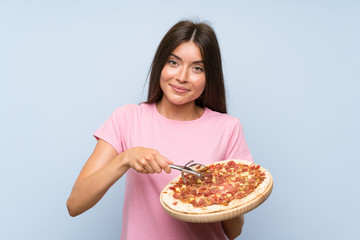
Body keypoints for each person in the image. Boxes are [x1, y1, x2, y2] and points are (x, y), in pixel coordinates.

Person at [66, 20, 253, 240]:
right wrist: (125, 159)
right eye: (174, 62)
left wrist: (215, 187)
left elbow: (234, 231)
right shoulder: (126, 119)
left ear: (209, 76)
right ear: (160, 65)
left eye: (197, 68)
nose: (182, 76)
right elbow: (75, 204)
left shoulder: (228, 128)